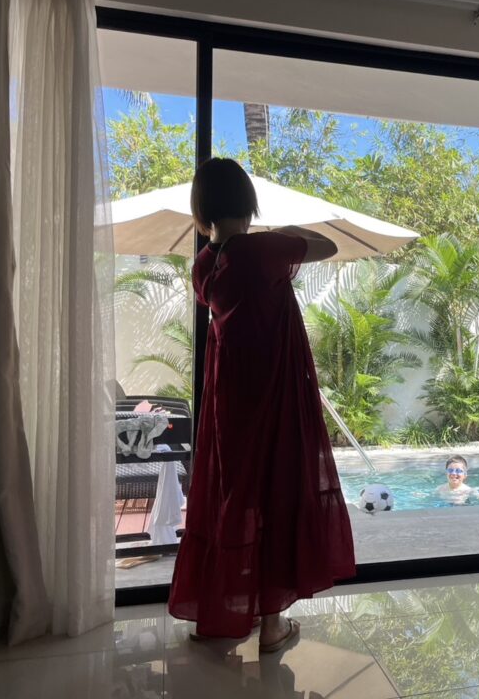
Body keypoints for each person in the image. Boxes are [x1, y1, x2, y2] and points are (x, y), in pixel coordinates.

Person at [168, 158, 355, 648]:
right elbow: (328, 245)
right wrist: (287, 231)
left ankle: (228, 610)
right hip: (274, 393)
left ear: (202, 208)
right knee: (278, 493)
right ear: (248, 202)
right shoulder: (263, 249)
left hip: (230, 397)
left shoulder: (204, 265)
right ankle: (272, 624)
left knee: (235, 496)